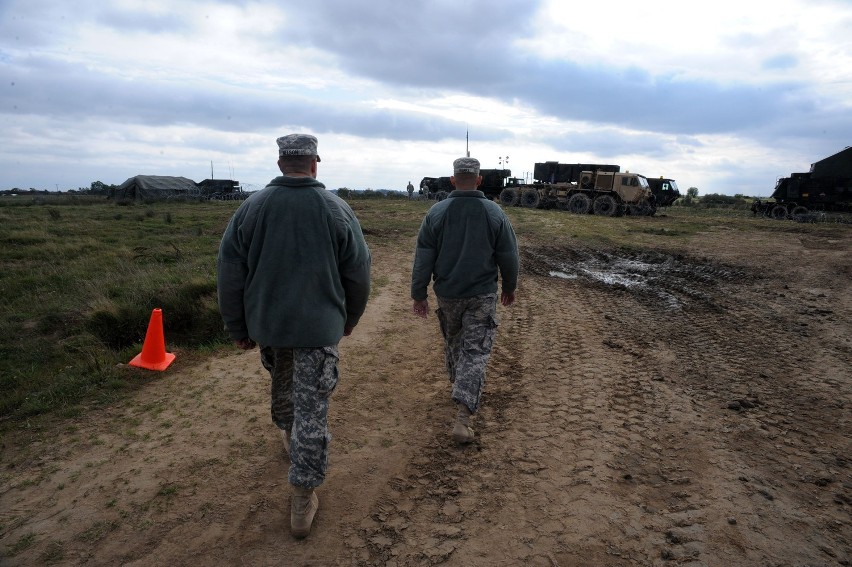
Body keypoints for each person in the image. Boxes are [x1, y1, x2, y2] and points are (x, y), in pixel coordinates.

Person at [217, 134, 371, 539]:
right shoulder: (336, 208)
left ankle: (289, 438)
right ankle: (303, 495)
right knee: (312, 406)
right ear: (314, 163)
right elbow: (358, 270)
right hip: (318, 330)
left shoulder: (251, 207)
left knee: (284, 385)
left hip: (270, 326)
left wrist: (238, 325)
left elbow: (229, 270)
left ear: (281, 161)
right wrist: (350, 317)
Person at [410, 157, 519, 445]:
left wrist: (418, 293)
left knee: (454, 343)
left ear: (453, 180)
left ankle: (459, 389)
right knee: (476, 351)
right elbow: (509, 254)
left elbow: (424, 257)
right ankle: (462, 416)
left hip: (448, 294)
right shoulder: (494, 213)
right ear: (479, 180)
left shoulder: (437, 212)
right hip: (481, 294)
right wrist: (510, 285)